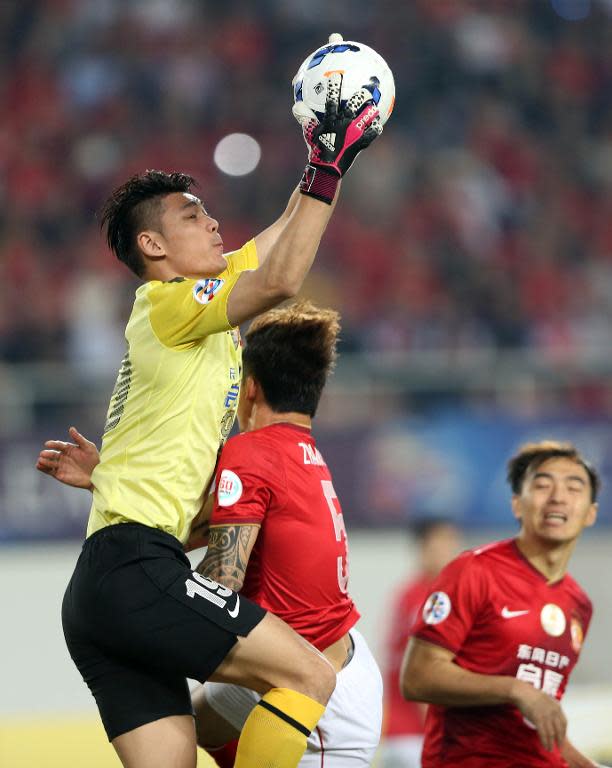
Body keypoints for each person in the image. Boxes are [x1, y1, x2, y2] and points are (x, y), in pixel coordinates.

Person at [36, 67, 383, 768]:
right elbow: (284, 280)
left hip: (102, 590)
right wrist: (325, 163)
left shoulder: (196, 304)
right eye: (192, 216)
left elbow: (283, 239)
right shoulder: (171, 305)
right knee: (311, 676)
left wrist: (328, 158)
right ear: (155, 249)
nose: (214, 221)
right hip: (136, 571)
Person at [38, 301, 384, 768]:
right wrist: (108, 479)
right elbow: (190, 526)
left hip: (323, 694)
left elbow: (223, 579)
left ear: (250, 387)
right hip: (332, 657)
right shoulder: (301, 455)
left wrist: (145, 611)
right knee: (190, 725)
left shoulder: (251, 453)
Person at [400, 441, 600, 768]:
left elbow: (540, 724)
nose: (558, 497)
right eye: (542, 484)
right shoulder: (474, 571)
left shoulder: (579, 605)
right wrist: (515, 689)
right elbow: (417, 677)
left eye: (574, 486)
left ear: (590, 513)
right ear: (517, 505)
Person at [378, 518, 462, 768]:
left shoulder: (409, 593)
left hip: (401, 736)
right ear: (423, 550)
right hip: (417, 737)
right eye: (441, 544)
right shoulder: (429, 599)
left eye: (451, 543)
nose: (449, 551)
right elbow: (423, 672)